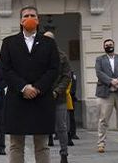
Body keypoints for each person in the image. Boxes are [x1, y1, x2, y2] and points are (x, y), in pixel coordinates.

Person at [0, 6, 60, 163]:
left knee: (42, 145)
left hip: (42, 99)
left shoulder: (48, 43)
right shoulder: (9, 43)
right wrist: (24, 87)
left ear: (38, 20)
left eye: (33, 15)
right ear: (21, 20)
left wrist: (38, 87)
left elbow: (54, 69)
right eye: (26, 15)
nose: (29, 18)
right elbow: (6, 69)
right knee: (16, 145)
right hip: (17, 98)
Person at [44, 31, 73, 163]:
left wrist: (56, 91)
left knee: (61, 127)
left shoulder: (62, 56)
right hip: (42, 97)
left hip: (58, 97)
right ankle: (42, 154)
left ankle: (64, 153)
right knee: (41, 127)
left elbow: (67, 76)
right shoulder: (38, 56)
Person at [66, 72, 78, 145]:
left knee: (70, 118)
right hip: (64, 97)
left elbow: (73, 88)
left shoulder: (72, 75)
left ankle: (72, 133)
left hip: (70, 98)